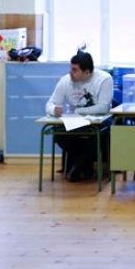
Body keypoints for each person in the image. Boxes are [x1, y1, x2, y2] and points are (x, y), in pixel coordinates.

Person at [44, 51, 113, 182]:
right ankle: (84, 165)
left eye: (75, 70)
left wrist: (77, 111)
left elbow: (103, 107)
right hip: (74, 122)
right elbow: (49, 104)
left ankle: (77, 167)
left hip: (98, 121)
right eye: (71, 68)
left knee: (95, 136)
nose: (71, 72)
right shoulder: (66, 80)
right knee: (58, 134)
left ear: (87, 72)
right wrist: (54, 109)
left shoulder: (104, 79)